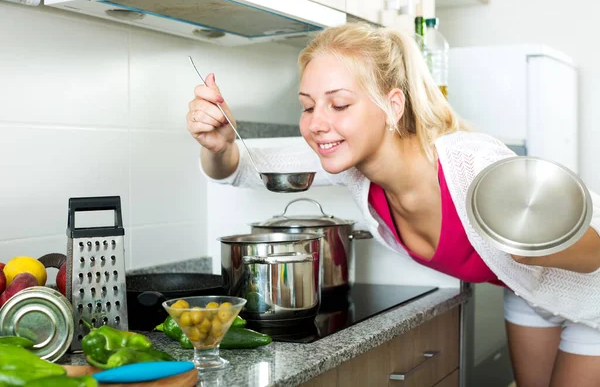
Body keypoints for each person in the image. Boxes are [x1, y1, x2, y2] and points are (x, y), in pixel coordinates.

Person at [186, 22, 600, 386]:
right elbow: (241, 168)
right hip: (529, 295)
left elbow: (595, 249)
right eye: (308, 106)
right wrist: (219, 144)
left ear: (393, 105)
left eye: (340, 104)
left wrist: (527, 245)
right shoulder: (350, 164)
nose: (316, 122)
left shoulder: (470, 163)